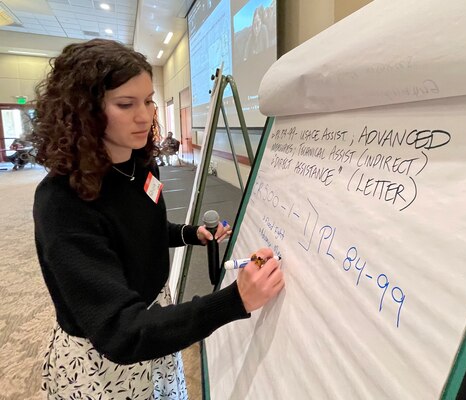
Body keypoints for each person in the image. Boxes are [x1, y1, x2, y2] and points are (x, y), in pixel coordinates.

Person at [30, 38, 285, 399]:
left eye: (149, 100)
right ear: (84, 111)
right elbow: (121, 332)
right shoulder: (61, 202)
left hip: (155, 319)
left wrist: (189, 233)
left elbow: (139, 230)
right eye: (125, 104)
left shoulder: (142, 164)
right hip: (104, 358)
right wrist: (236, 300)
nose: (145, 115)